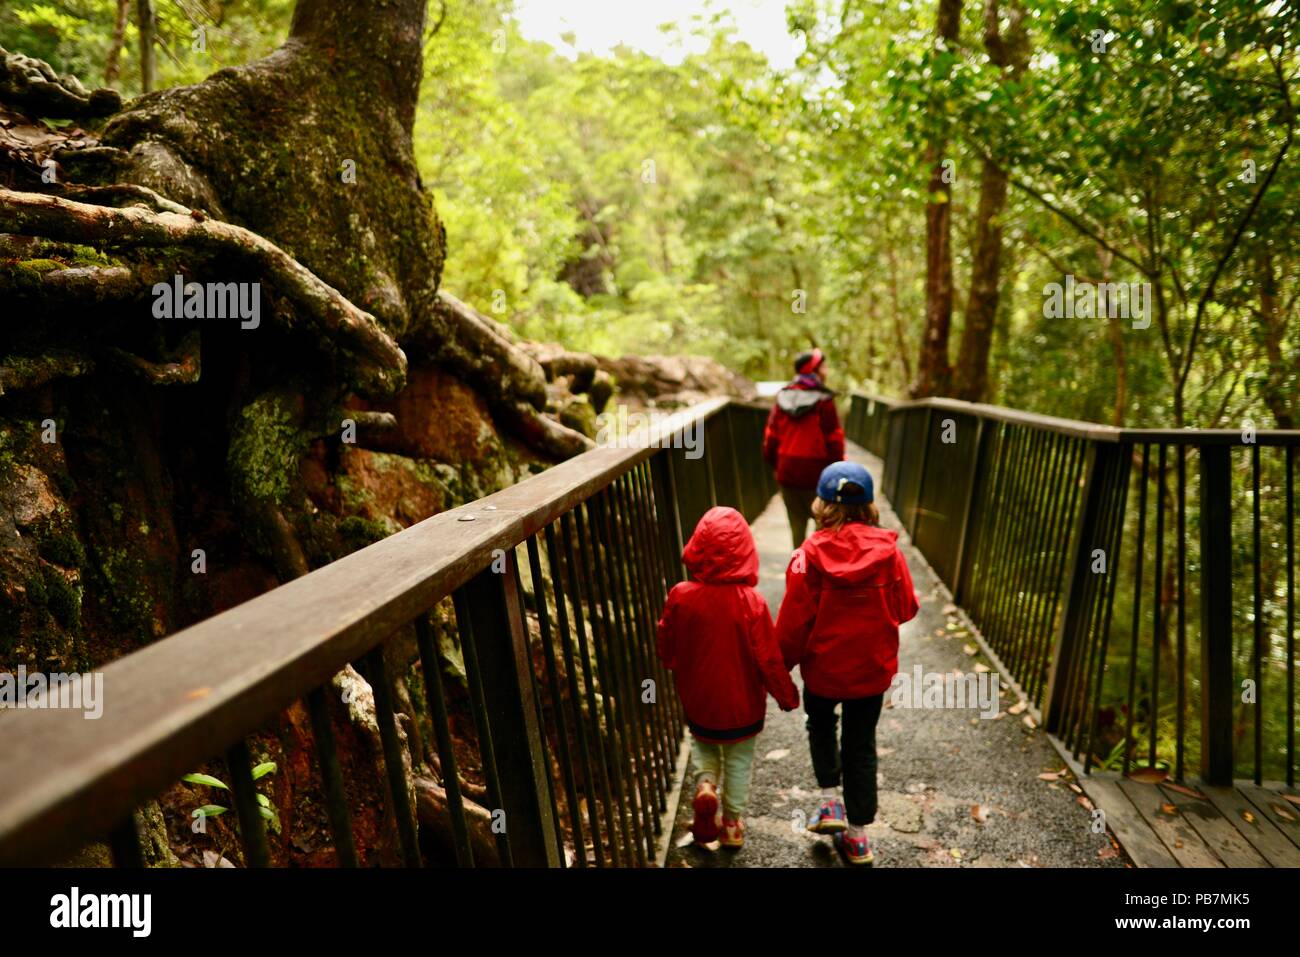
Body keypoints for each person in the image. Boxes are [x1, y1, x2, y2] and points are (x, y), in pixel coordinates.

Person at [775, 462, 919, 866]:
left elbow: (792, 625)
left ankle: (829, 804)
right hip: (870, 674)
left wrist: (776, 670)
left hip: (822, 672)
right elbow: (906, 608)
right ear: (869, 506)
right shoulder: (890, 553)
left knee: (820, 726)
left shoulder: (806, 557)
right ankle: (857, 838)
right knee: (860, 745)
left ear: (820, 505)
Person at [657, 506, 799, 849]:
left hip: (700, 702)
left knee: (704, 747)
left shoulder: (681, 595)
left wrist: (675, 662)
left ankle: (706, 784)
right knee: (739, 760)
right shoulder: (752, 602)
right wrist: (786, 695)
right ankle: (733, 823)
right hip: (743, 708)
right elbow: (769, 658)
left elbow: (667, 642)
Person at [762, 348, 845, 548]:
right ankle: (815, 572)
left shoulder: (783, 398)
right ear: (813, 369)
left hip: (788, 473)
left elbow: (770, 438)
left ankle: (797, 572)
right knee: (822, 530)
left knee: (797, 530)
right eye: (823, 366)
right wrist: (837, 470)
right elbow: (834, 440)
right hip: (817, 475)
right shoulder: (824, 401)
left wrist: (778, 465)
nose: (826, 371)